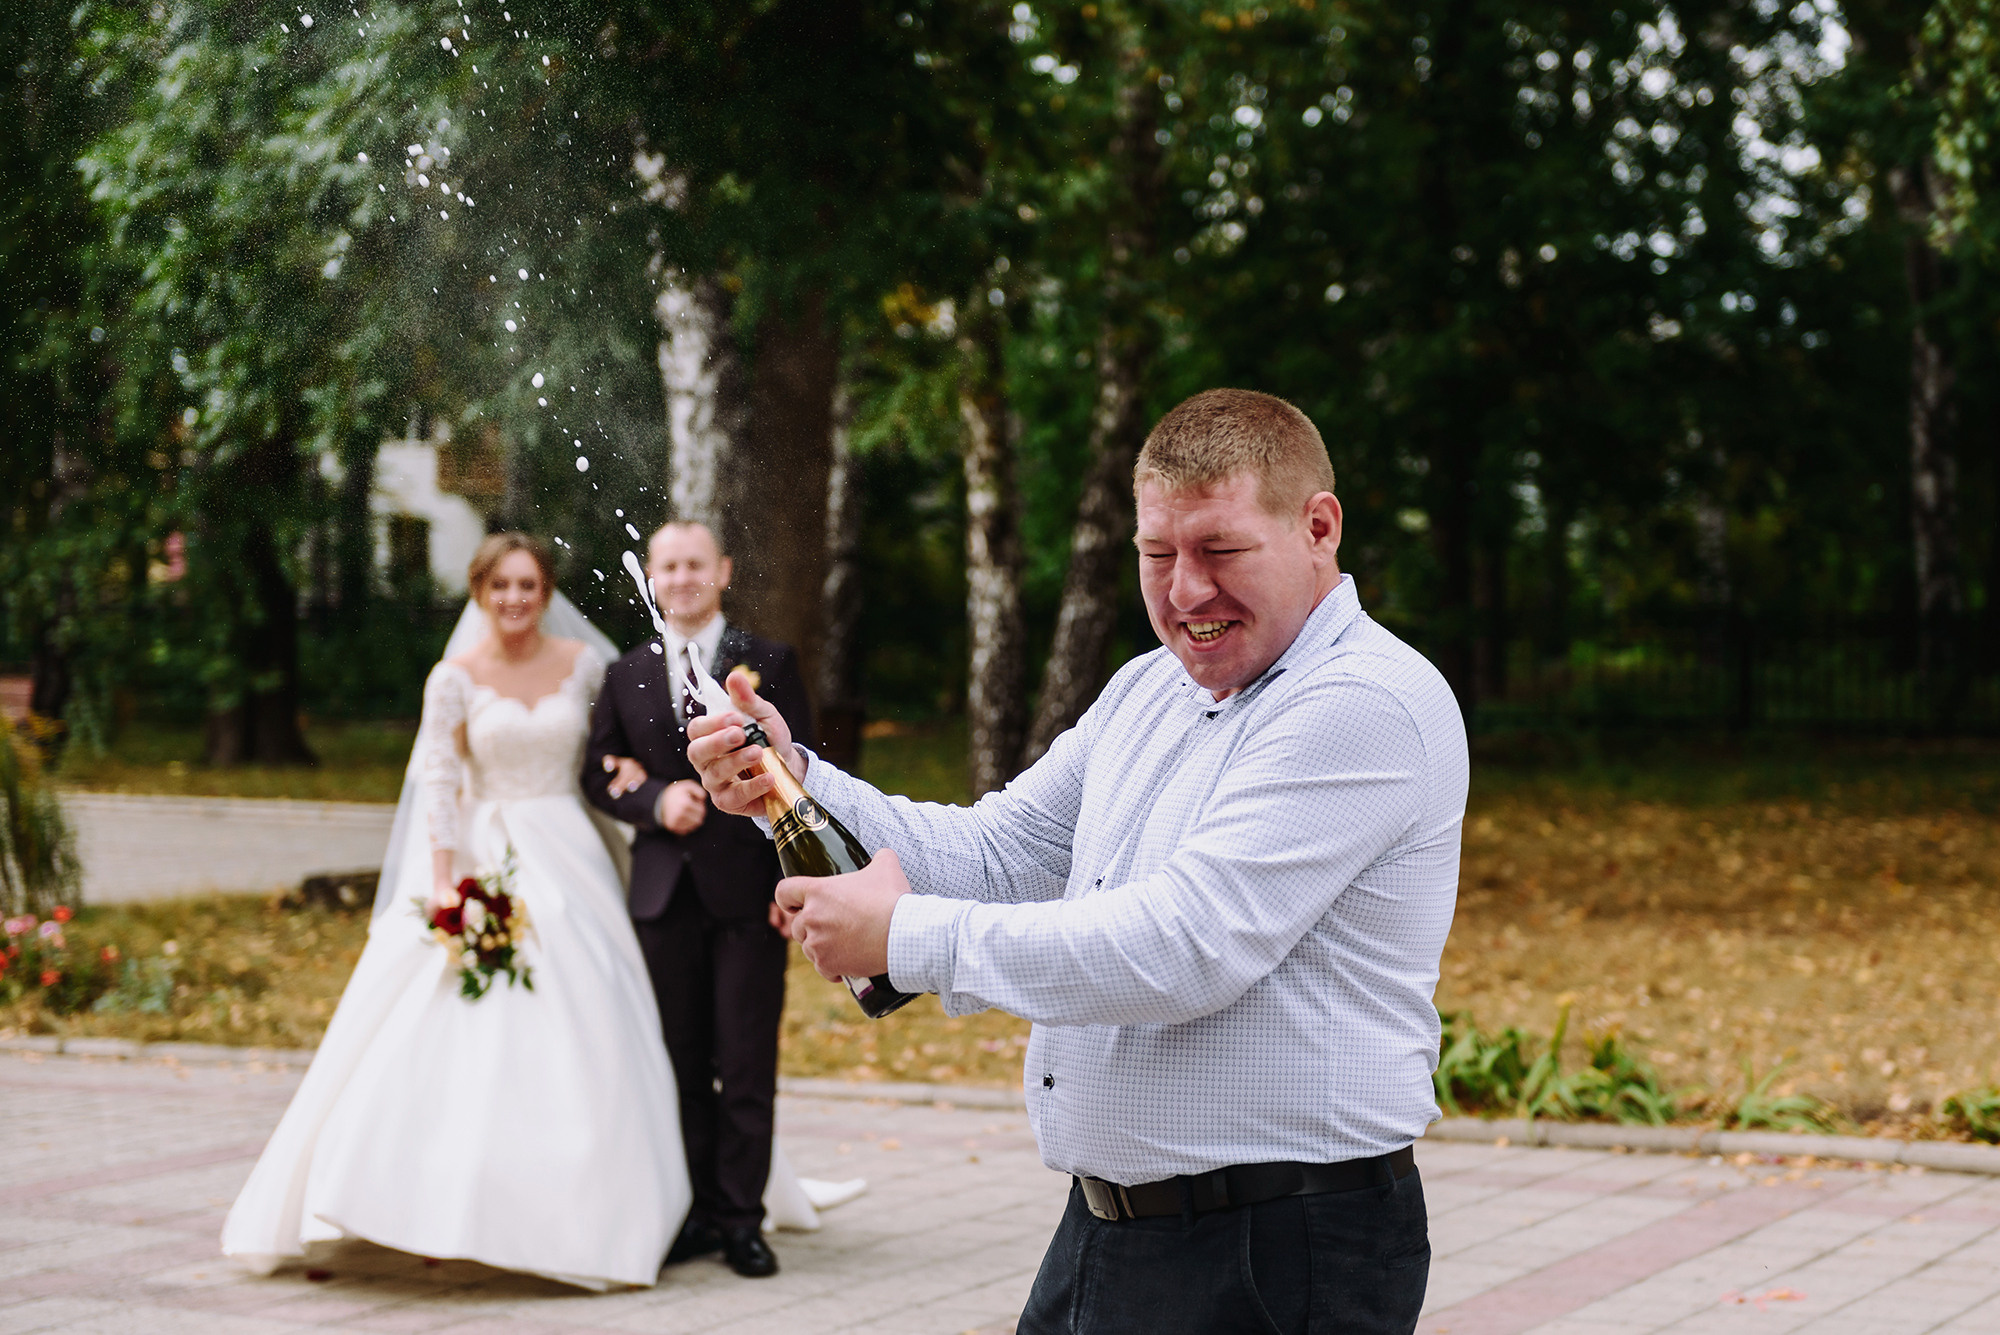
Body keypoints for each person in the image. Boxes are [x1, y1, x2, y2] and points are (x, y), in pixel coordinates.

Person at [689, 389, 1469, 1334]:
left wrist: (906, 937)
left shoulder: (1363, 702)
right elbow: (999, 847)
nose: (1185, 592)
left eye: (1220, 551)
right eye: (1156, 555)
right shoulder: (1149, 687)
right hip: (1110, 1230)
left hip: (1278, 1251)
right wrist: (793, 773)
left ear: (1318, 527)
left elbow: (1183, 945)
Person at [222, 533, 690, 1289]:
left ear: (547, 592)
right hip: (483, 852)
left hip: (568, 850)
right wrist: (444, 884)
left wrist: (635, 771)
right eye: (500, 585)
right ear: (479, 592)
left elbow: (609, 752)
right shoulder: (453, 677)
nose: (514, 599)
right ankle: (417, 1200)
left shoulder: (585, 667)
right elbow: (439, 779)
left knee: (590, 1005)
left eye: (528, 585)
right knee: (437, 1020)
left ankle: (587, 1206)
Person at [582, 521, 817, 1279]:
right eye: (667, 566)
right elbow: (596, 771)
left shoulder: (768, 660)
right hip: (662, 896)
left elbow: (802, 775)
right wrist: (655, 801)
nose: (680, 578)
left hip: (749, 894)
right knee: (679, 1061)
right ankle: (695, 1212)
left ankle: (742, 1218)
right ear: (650, 578)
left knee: (745, 1061)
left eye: (694, 565)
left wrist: (796, 881)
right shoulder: (624, 673)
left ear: (722, 571)